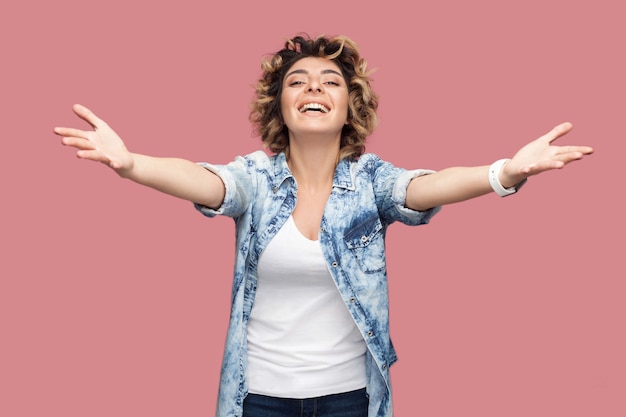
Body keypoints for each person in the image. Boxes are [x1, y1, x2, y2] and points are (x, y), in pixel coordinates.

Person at [53, 34, 593, 417]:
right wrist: (131, 165)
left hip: (350, 399)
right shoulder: (257, 178)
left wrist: (506, 172)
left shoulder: (370, 181)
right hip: (256, 398)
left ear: (347, 106)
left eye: (330, 81)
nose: (314, 88)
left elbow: (423, 188)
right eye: (298, 81)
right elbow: (207, 182)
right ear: (281, 105)